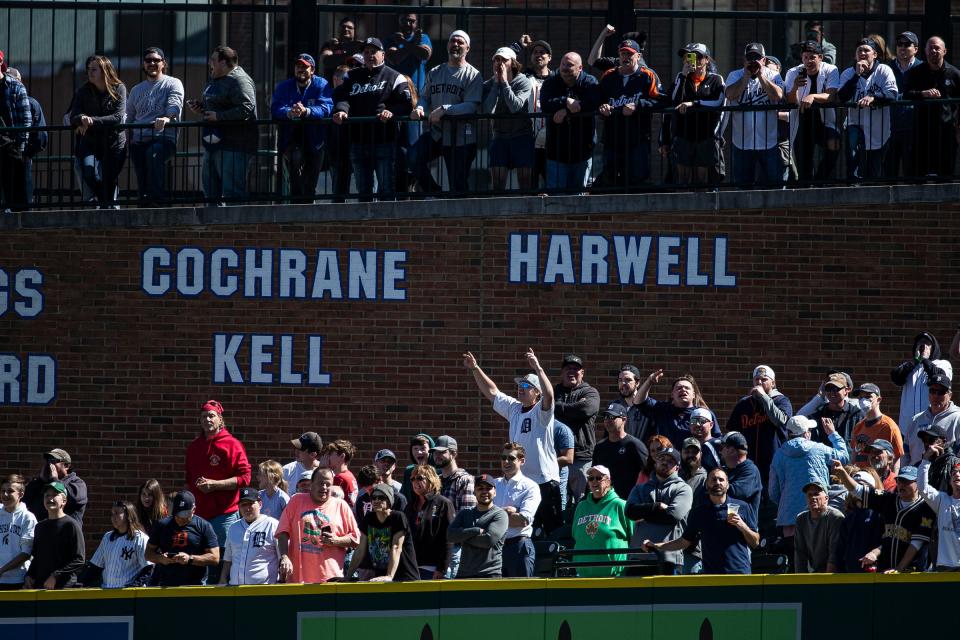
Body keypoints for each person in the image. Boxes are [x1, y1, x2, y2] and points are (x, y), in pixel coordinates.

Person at [463, 349, 560, 530]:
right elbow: (492, 392)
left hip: (544, 480)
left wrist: (538, 368)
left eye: (525, 387)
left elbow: (549, 395)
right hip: (521, 481)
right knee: (521, 527)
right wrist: (475, 368)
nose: (520, 389)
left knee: (549, 530)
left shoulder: (541, 411)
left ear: (536, 392)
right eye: (519, 386)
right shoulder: (514, 409)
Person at [332, 37, 412, 200]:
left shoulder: (395, 77)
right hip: (358, 141)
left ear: (383, 54)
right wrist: (342, 110)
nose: (369, 55)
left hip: (385, 141)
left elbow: (407, 104)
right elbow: (341, 96)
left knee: (386, 190)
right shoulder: (351, 77)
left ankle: (387, 225)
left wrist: (391, 111)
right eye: (366, 52)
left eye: (373, 52)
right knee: (364, 192)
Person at [643, 468, 758, 574]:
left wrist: (743, 526)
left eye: (721, 480)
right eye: (713, 479)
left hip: (740, 573)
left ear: (727, 485)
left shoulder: (743, 507)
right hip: (711, 576)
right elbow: (684, 542)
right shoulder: (699, 512)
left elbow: (755, 542)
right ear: (707, 485)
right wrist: (657, 545)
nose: (717, 482)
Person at [184, 398, 251, 582]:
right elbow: (188, 481)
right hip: (198, 516)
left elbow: (245, 477)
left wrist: (215, 485)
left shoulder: (232, 444)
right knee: (198, 559)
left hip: (224, 514)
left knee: (224, 557)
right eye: (204, 416)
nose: (207, 419)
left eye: (211, 416)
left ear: (220, 419)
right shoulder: (194, 447)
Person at [411, 30, 482, 194]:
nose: (455, 45)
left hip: (461, 137)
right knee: (413, 158)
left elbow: (471, 106)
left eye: (460, 42)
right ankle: (435, 193)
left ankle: (461, 217)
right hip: (437, 133)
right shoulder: (435, 71)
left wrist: (445, 110)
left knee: (457, 185)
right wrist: (420, 107)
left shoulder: (473, 74)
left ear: (468, 48)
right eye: (452, 41)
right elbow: (424, 97)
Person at [833, 461, 934, 572]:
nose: (901, 485)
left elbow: (916, 545)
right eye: (899, 481)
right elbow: (858, 491)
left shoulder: (926, 508)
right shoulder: (888, 499)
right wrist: (843, 474)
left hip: (912, 572)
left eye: (906, 481)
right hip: (886, 570)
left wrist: (898, 569)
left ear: (918, 483)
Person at [187, 46, 257, 205]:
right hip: (213, 143)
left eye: (213, 60)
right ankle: (212, 228)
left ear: (224, 63)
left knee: (232, 193)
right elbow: (219, 104)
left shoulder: (240, 80)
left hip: (235, 145)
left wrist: (218, 116)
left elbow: (247, 108)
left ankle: (235, 229)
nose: (209, 63)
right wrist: (202, 108)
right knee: (210, 193)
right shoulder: (215, 78)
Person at [769, 415, 849, 552]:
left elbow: (773, 492)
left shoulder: (779, 455)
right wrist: (832, 434)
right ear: (806, 433)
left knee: (794, 563)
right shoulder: (818, 449)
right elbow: (844, 457)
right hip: (817, 515)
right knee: (818, 563)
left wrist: (786, 504)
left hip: (789, 520)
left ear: (789, 434)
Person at [596, 37, 662, 188]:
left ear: (638, 56)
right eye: (623, 53)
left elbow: (661, 100)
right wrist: (602, 107)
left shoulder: (647, 75)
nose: (626, 57)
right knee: (610, 180)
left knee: (637, 179)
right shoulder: (608, 76)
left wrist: (638, 105)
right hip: (612, 138)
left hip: (637, 139)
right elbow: (597, 100)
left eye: (630, 54)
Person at [276, 467, 360, 583]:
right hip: (298, 579)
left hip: (329, 578)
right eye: (320, 483)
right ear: (311, 484)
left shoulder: (341, 506)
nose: (324, 488)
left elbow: (356, 539)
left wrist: (336, 540)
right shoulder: (296, 501)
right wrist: (284, 556)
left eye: (328, 484)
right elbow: (282, 532)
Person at [126, 46, 184, 206]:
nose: (152, 63)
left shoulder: (173, 83)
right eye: (148, 60)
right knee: (141, 176)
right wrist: (127, 138)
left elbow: (175, 105)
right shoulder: (136, 90)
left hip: (163, 138)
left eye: (156, 60)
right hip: (138, 140)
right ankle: (144, 205)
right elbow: (128, 116)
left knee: (153, 156)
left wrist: (166, 118)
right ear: (143, 64)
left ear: (163, 63)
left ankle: (158, 202)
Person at [661, 43, 725, 185]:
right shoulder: (680, 77)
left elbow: (718, 102)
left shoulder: (716, 79)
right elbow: (673, 101)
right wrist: (684, 75)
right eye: (688, 57)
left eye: (698, 57)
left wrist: (694, 103)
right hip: (683, 135)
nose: (693, 60)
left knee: (702, 179)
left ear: (707, 59)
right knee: (682, 179)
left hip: (705, 135)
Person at [271, 53, 333, 202]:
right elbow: (275, 108)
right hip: (292, 140)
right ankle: (296, 206)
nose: (301, 70)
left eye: (305, 67)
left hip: (316, 141)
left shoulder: (321, 84)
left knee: (310, 184)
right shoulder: (284, 86)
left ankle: (307, 213)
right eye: (298, 66)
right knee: (295, 169)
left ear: (312, 70)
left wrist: (306, 111)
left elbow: (326, 108)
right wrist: (290, 112)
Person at [724, 43, 785, 186]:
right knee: (743, 187)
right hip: (742, 143)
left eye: (756, 57)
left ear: (763, 60)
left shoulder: (774, 75)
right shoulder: (734, 75)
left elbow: (778, 95)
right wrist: (746, 76)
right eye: (749, 57)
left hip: (768, 142)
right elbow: (730, 95)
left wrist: (761, 76)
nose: (753, 61)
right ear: (744, 59)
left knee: (775, 185)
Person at [837, 38, 899, 179]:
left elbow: (892, 94)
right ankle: (853, 186)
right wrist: (856, 75)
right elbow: (842, 97)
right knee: (853, 164)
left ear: (875, 54)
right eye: (860, 50)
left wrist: (873, 97)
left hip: (878, 127)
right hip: (855, 123)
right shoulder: (848, 73)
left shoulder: (884, 70)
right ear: (855, 55)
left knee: (874, 169)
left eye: (866, 50)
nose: (863, 53)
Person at [539, 52, 601, 192]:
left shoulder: (589, 82)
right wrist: (566, 101)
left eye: (570, 65)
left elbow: (593, 103)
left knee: (579, 198)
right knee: (556, 198)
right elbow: (545, 104)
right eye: (563, 64)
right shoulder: (551, 82)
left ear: (580, 68)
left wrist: (566, 111)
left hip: (582, 152)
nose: (565, 68)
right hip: (556, 152)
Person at [725, 364, 793, 492]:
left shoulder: (782, 400)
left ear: (773, 383)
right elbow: (733, 432)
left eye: (764, 379)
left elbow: (780, 421)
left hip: (773, 464)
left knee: (771, 503)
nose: (759, 382)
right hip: (747, 465)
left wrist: (764, 397)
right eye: (756, 379)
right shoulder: (744, 403)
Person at [70, 55, 126, 207]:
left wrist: (92, 121)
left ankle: (107, 206)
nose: (90, 72)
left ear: (104, 71)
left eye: (94, 69)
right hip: (90, 142)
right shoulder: (83, 91)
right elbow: (73, 115)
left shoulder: (119, 88)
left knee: (109, 179)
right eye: (88, 69)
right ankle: (104, 200)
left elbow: (117, 117)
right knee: (89, 171)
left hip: (113, 143)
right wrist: (81, 118)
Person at [627, 448, 692, 575]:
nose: (664, 462)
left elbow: (673, 515)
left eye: (670, 461)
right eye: (661, 459)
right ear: (655, 463)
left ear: (677, 467)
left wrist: (643, 512)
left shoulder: (683, 489)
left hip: (668, 558)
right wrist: (656, 507)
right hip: (638, 556)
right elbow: (630, 512)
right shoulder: (640, 488)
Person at [904, 36, 960, 177]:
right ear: (925, 51)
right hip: (922, 130)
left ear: (945, 51)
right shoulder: (916, 72)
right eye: (930, 48)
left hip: (946, 130)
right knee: (918, 173)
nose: (933, 51)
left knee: (945, 173)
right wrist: (924, 94)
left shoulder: (954, 74)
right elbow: (906, 94)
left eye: (937, 48)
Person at [785, 41, 839, 183]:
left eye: (812, 57)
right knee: (804, 160)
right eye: (805, 57)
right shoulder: (793, 72)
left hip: (823, 119)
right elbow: (791, 101)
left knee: (834, 144)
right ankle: (807, 185)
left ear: (820, 57)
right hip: (802, 120)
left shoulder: (831, 69)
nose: (808, 61)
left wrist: (813, 96)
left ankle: (820, 180)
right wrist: (795, 87)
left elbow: (831, 95)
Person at [481, 47, 533, 191]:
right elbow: (487, 110)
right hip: (499, 136)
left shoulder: (523, 82)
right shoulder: (489, 84)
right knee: (497, 182)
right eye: (497, 59)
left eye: (504, 60)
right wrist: (496, 84)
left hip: (522, 135)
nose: (500, 63)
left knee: (524, 180)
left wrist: (504, 83)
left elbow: (515, 107)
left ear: (513, 63)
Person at [553, 354, 600, 506]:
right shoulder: (554, 392)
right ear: (562, 372)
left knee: (582, 501)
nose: (571, 371)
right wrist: (574, 408)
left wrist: (558, 408)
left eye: (576, 369)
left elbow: (585, 410)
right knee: (557, 501)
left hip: (582, 458)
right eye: (568, 368)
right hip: (557, 458)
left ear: (582, 373)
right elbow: (546, 410)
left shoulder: (590, 392)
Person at [346, 483, 419, 582]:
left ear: (389, 500)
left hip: (404, 577)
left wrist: (389, 576)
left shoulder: (398, 517)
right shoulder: (369, 518)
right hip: (380, 577)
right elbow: (360, 549)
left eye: (381, 497)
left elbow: (396, 547)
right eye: (374, 498)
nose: (376, 500)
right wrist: (347, 577)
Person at [145, 490, 218, 586]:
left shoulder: (204, 526)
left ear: (194, 509)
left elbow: (215, 558)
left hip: (195, 585)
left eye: (184, 515)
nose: (180, 518)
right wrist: (160, 558)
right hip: (166, 583)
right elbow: (148, 553)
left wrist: (190, 559)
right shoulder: (162, 525)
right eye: (177, 514)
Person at [571, 464, 632, 577]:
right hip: (583, 575)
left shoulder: (620, 505)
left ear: (608, 481)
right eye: (591, 478)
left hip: (614, 577)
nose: (594, 481)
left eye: (599, 478)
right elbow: (575, 534)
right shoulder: (581, 506)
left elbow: (633, 537)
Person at [636, 369, 720, 449]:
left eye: (687, 388)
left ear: (694, 395)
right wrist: (649, 381)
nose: (683, 390)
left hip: (694, 459)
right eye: (679, 388)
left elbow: (716, 439)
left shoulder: (704, 413)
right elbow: (638, 401)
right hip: (668, 460)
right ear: (672, 394)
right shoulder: (662, 409)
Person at [22, 481, 84, 589]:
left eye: (55, 495)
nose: (50, 499)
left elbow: (79, 559)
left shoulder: (71, 525)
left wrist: (56, 575)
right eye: (47, 495)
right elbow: (37, 557)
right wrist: (29, 575)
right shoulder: (39, 527)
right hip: (41, 586)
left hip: (64, 587)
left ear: (64, 501)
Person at [891, 332, 952, 439]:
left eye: (927, 344)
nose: (923, 347)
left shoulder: (942, 364)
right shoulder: (909, 366)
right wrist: (916, 361)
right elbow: (896, 378)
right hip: (908, 429)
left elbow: (941, 378)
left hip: (932, 428)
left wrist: (925, 360)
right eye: (920, 344)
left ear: (933, 348)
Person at [493, 442, 541, 577]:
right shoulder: (493, 484)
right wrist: (507, 511)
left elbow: (522, 520)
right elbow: (481, 516)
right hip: (495, 549)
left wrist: (493, 516)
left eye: (511, 458)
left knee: (522, 595)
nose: (506, 462)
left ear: (522, 461)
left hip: (519, 547)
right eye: (503, 458)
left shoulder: (530, 486)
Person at [447, 474, 508, 578]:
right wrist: (475, 530)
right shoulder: (465, 513)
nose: (484, 491)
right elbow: (450, 535)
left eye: (488, 488)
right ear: (474, 492)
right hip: (464, 574)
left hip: (489, 573)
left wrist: (462, 536)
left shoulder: (500, 514)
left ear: (495, 492)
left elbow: (488, 540)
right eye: (480, 488)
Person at [81, 500, 151, 588]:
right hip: (107, 591)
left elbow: (149, 568)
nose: (113, 517)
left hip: (130, 594)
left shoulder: (140, 538)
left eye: (117, 513)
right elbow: (95, 567)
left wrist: (134, 586)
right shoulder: (107, 537)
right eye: (112, 514)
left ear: (128, 516)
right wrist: (82, 584)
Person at [217, 487, 280, 585]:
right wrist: (223, 578)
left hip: (265, 588)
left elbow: (283, 557)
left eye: (251, 503)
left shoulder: (272, 525)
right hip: (236, 589)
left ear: (260, 504)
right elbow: (228, 559)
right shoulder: (233, 527)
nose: (247, 508)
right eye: (243, 505)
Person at [403, 464, 454, 579]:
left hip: (433, 568)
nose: (415, 482)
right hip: (411, 568)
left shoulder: (443, 504)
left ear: (431, 480)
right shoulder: (410, 506)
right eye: (412, 479)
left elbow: (449, 538)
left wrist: (441, 569)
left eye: (420, 478)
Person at [592, 403, 648, 500]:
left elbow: (647, 472)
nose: (607, 420)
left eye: (612, 417)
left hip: (628, 500)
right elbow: (594, 474)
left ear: (624, 420)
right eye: (605, 417)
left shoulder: (634, 445)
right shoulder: (600, 447)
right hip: (605, 500)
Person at [902, 372, 960, 466]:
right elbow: (905, 453)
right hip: (915, 477)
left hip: (944, 477)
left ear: (950, 395)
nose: (936, 396)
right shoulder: (915, 420)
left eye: (941, 392)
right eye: (932, 391)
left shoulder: (957, 418)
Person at [0, 67, 37, 210]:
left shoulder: (15, 86)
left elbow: (25, 120)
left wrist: (20, 148)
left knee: (16, 195)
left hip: (11, 147)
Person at [887, 32, 922, 177]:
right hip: (890, 127)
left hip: (913, 127)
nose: (902, 47)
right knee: (888, 173)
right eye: (899, 44)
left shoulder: (922, 68)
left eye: (907, 44)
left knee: (912, 172)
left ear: (916, 49)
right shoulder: (887, 68)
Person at [23, 448, 87, 526]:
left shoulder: (77, 483)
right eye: (48, 461)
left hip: (66, 532)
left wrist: (55, 480)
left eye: (53, 461)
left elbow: (74, 499)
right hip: (42, 532)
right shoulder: (41, 483)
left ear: (66, 466)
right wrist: (40, 480)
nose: (50, 465)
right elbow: (24, 500)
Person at [849, 383, 904, 472]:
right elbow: (854, 455)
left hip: (879, 479)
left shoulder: (888, 426)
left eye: (868, 396)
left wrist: (893, 482)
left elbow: (897, 457)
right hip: (860, 478)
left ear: (878, 399)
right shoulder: (858, 426)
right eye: (860, 397)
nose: (863, 400)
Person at [793, 481, 844, 573]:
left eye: (816, 494)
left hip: (835, 573)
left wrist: (826, 581)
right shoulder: (801, 519)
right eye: (809, 495)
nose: (813, 497)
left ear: (826, 498)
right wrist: (801, 581)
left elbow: (834, 552)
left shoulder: (835, 517)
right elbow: (800, 553)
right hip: (815, 571)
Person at [807, 372, 865, 445]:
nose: (831, 392)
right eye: (828, 388)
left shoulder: (857, 415)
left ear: (847, 390)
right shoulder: (817, 416)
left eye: (835, 389)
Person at [0, 474, 36, 589]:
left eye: (10, 491)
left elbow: (26, 553)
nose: (5, 494)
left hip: (17, 579)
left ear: (21, 494)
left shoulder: (28, 518)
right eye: (2, 491)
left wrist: (2, 570)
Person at [719, 432, 762, 522]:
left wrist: (713, 486)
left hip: (744, 530)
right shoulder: (725, 470)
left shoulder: (750, 471)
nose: (720, 451)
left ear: (731, 450)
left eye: (722, 447)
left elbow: (737, 493)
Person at [610, 364, 654, 444]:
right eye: (620, 380)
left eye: (628, 380)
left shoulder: (649, 406)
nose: (623, 383)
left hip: (643, 454)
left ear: (637, 383)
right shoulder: (614, 406)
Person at [320, 17, 364, 82]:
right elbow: (326, 60)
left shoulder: (359, 45)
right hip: (333, 82)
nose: (346, 29)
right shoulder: (330, 44)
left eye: (349, 27)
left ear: (355, 31)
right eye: (343, 27)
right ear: (338, 30)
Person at [321, 439, 359, 506]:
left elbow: (322, 498)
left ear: (342, 456)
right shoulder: (349, 475)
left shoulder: (340, 478)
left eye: (330, 454)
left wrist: (322, 469)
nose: (327, 457)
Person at [400, 432, 434, 503]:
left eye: (423, 448)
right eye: (415, 448)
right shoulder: (409, 471)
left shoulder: (438, 471)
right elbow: (403, 496)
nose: (419, 452)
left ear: (431, 450)